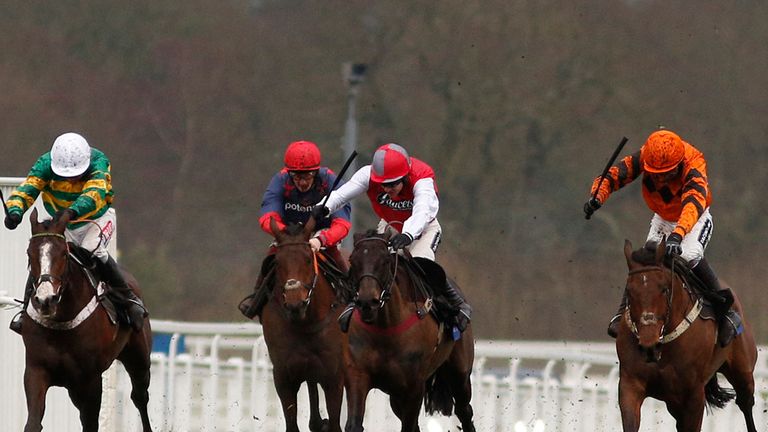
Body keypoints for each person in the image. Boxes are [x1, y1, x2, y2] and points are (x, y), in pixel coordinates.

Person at [584, 129, 742, 346]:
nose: (659, 178)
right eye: (655, 173)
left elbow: (693, 202)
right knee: (645, 259)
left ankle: (726, 312)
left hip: (694, 216)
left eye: (666, 173)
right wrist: (597, 197)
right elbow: (614, 176)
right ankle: (621, 314)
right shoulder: (646, 155)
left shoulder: (694, 162)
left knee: (688, 254)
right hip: (663, 216)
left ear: (678, 164)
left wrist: (678, 235)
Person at [314, 142, 472, 332]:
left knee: (421, 263)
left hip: (423, 230)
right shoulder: (367, 174)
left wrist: (408, 234)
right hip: (391, 227)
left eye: (392, 184)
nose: (387, 189)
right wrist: (325, 206)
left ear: (405, 177)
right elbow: (342, 194)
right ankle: (354, 301)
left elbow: (422, 211)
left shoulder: (422, 179)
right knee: (371, 262)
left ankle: (458, 304)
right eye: (383, 184)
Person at [4, 132, 148, 333]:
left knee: (92, 249)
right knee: (47, 254)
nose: (70, 179)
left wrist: (72, 211)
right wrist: (15, 212)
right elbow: (27, 189)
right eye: (64, 176)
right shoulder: (45, 164)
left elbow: (94, 194)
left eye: (75, 175)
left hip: (95, 219)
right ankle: (26, 309)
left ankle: (128, 299)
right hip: (62, 223)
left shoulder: (99, 161)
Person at [238, 140, 352, 320]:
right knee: (271, 256)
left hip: (321, 233)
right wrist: (286, 235)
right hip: (290, 233)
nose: (302, 182)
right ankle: (256, 297)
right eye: (297, 176)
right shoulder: (280, 180)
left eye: (307, 176)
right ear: (289, 173)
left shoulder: (330, 180)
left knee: (336, 257)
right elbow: (267, 216)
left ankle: (352, 297)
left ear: (316, 172)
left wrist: (321, 239)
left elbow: (343, 223)